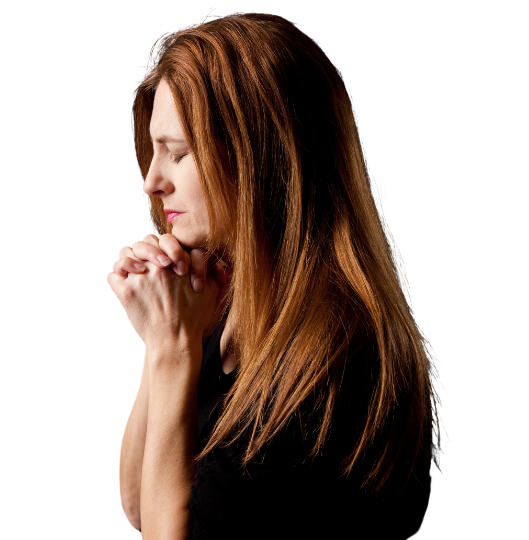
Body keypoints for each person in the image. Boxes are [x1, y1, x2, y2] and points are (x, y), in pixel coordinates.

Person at [107, 8, 449, 539]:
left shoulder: (331, 370)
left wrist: (173, 349)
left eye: (177, 152)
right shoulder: (229, 310)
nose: (151, 182)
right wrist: (166, 338)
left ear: (261, 158)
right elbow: (136, 501)